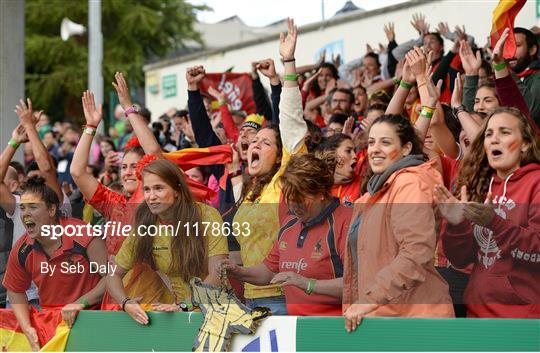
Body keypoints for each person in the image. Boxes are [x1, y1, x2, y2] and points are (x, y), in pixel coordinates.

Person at [343, 114, 454, 333]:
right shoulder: (373, 194)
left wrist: (369, 300)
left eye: (385, 142)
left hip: (416, 322)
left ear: (406, 149)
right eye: (372, 142)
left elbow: (415, 252)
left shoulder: (410, 183)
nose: (375, 149)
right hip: (383, 318)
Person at [229, 18, 307, 315]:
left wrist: (287, 65)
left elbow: (291, 125)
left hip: (282, 298)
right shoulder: (250, 192)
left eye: (265, 143)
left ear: (281, 155)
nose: (254, 146)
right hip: (250, 298)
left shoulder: (284, 182)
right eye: (253, 142)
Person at [435, 107, 540, 318]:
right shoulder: (479, 184)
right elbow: (460, 259)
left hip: (524, 319)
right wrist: (457, 225)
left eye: (504, 132)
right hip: (477, 315)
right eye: (489, 134)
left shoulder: (536, 183)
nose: (494, 139)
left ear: (526, 144)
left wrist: (495, 222)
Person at [220, 153, 349, 316]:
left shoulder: (346, 222)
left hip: (334, 330)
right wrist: (238, 272)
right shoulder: (290, 223)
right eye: (289, 199)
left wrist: (307, 284)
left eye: (300, 199)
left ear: (321, 192)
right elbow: (269, 271)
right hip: (294, 328)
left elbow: (358, 285)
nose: (294, 206)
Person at [106, 159, 228, 325]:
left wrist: (185, 305)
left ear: (177, 190)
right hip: (179, 316)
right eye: (147, 190)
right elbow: (113, 274)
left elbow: (218, 273)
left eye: (159, 188)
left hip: (216, 312)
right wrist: (126, 303)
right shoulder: (146, 224)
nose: (151, 196)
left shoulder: (207, 215)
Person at [2, 176, 108, 350]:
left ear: (52, 209)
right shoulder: (22, 249)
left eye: (33, 207)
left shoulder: (84, 235)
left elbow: (111, 278)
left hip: (93, 320)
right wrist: (27, 328)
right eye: (22, 208)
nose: (25, 213)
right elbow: (15, 290)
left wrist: (81, 303)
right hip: (52, 325)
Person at [71, 75, 162, 255]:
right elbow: (77, 172)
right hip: (114, 282)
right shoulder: (114, 205)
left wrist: (128, 108)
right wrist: (90, 127)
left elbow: (154, 152)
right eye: (124, 167)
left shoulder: (154, 203)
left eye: (135, 167)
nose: (127, 172)